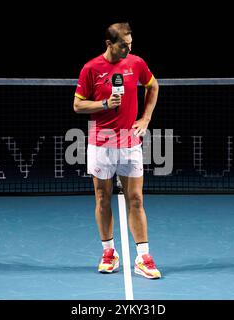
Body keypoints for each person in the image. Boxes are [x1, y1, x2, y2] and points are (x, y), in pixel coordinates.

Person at [73, 22, 161, 279]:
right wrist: (103, 103)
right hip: (101, 143)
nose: (128, 50)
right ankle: (109, 252)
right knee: (102, 198)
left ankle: (143, 257)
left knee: (136, 199)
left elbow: (153, 87)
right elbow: (78, 106)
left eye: (130, 45)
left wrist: (145, 119)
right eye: (124, 45)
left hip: (130, 142)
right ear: (109, 44)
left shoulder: (136, 63)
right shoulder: (91, 68)